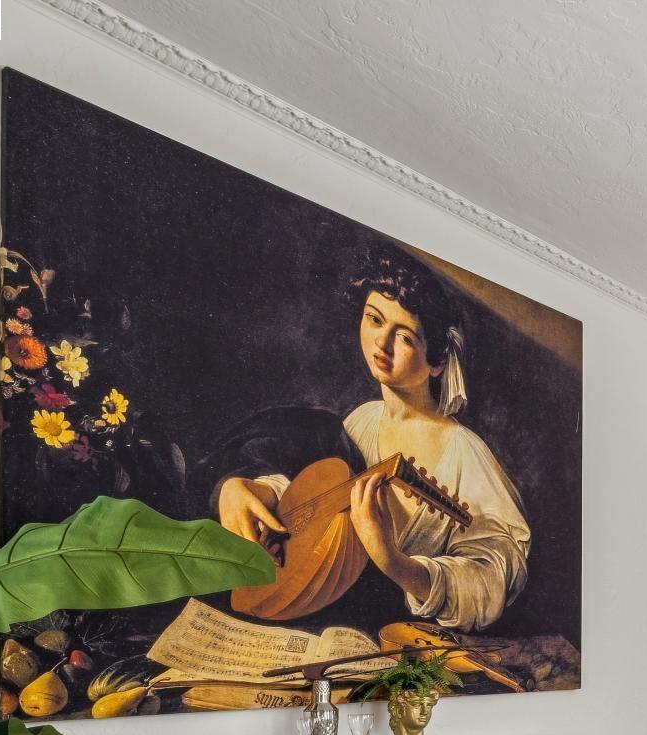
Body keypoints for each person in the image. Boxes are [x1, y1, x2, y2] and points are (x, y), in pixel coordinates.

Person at [216, 253, 531, 632]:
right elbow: (320, 506)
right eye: (374, 319)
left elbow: (495, 574)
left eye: (405, 336)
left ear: (437, 361)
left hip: (400, 643)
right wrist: (252, 489)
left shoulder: (463, 453)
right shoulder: (362, 419)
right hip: (328, 623)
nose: (382, 342)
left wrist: (395, 562)